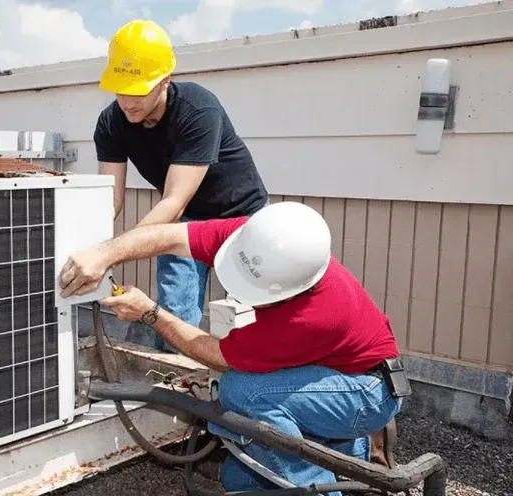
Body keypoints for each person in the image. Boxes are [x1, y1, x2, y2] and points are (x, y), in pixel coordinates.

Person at [58, 201, 407, 493]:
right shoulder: (256, 239)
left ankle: (323, 484)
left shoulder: (312, 316)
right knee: (240, 479)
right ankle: (348, 453)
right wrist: (104, 254)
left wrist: (150, 313)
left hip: (367, 392)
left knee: (243, 392)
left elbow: (218, 356)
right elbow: (167, 235)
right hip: (331, 373)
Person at [93, 19, 269, 351]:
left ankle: (245, 389)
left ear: (165, 81)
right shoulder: (111, 123)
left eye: (140, 90)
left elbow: (174, 201)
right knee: (173, 315)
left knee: (252, 316)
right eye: (121, 89)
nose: (129, 101)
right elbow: (110, 201)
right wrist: (88, 246)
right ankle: (177, 389)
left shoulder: (198, 109)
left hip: (243, 219)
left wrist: (109, 254)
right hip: (186, 222)